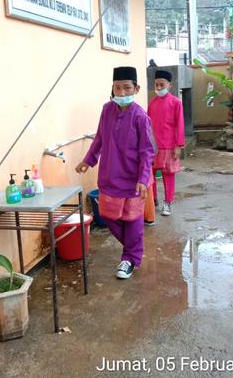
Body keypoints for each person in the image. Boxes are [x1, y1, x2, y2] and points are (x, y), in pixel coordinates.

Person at [76, 66, 155, 279]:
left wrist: (143, 178)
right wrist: (88, 160)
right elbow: (100, 138)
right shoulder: (107, 109)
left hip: (133, 179)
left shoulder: (140, 117)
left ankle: (129, 258)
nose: (121, 93)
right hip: (109, 176)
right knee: (109, 217)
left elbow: (147, 151)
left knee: (132, 219)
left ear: (136, 89)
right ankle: (132, 250)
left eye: (126, 88)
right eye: (117, 88)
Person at [147, 69, 185, 216]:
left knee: (168, 175)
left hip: (169, 146)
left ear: (169, 85)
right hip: (153, 145)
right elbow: (147, 125)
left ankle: (168, 202)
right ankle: (153, 199)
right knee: (150, 173)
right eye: (156, 84)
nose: (159, 87)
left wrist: (179, 145)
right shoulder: (152, 103)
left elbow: (180, 124)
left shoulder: (176, 103)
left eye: (162, 84)